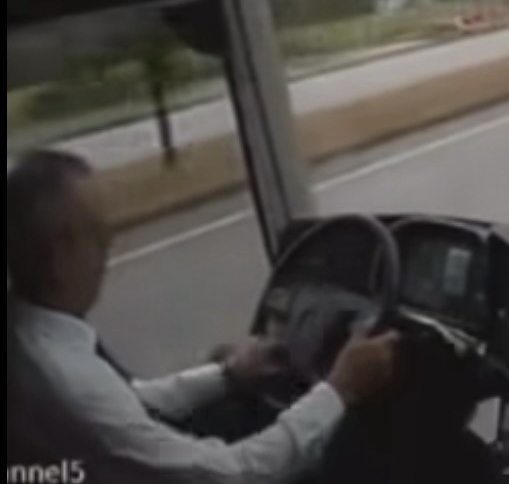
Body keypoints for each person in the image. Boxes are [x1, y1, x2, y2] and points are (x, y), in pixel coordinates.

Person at [6, 150, 399, 484]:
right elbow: (231, 473)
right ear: (59, 255)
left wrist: (228, 375)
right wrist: (339, 390)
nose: (109, 245)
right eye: (97, 232)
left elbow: (127, 404)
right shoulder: (69, 383)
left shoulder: (31, 337)